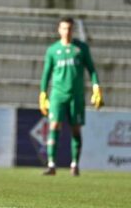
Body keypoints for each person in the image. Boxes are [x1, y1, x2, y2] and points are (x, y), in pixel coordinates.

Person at [39, 17, 104, 176]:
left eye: (69, 28)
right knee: (54, 126)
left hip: (76, 96)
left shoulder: (81, 48)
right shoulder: (53, 50)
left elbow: (92, 69)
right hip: (58, 95)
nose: (67, 31)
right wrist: (43, 93)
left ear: (73, 30)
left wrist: (96, 87)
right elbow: (46, 74)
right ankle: (51, 164)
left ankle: (75, 164)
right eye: (64, 28)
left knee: (76, 128)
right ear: (59, 30)